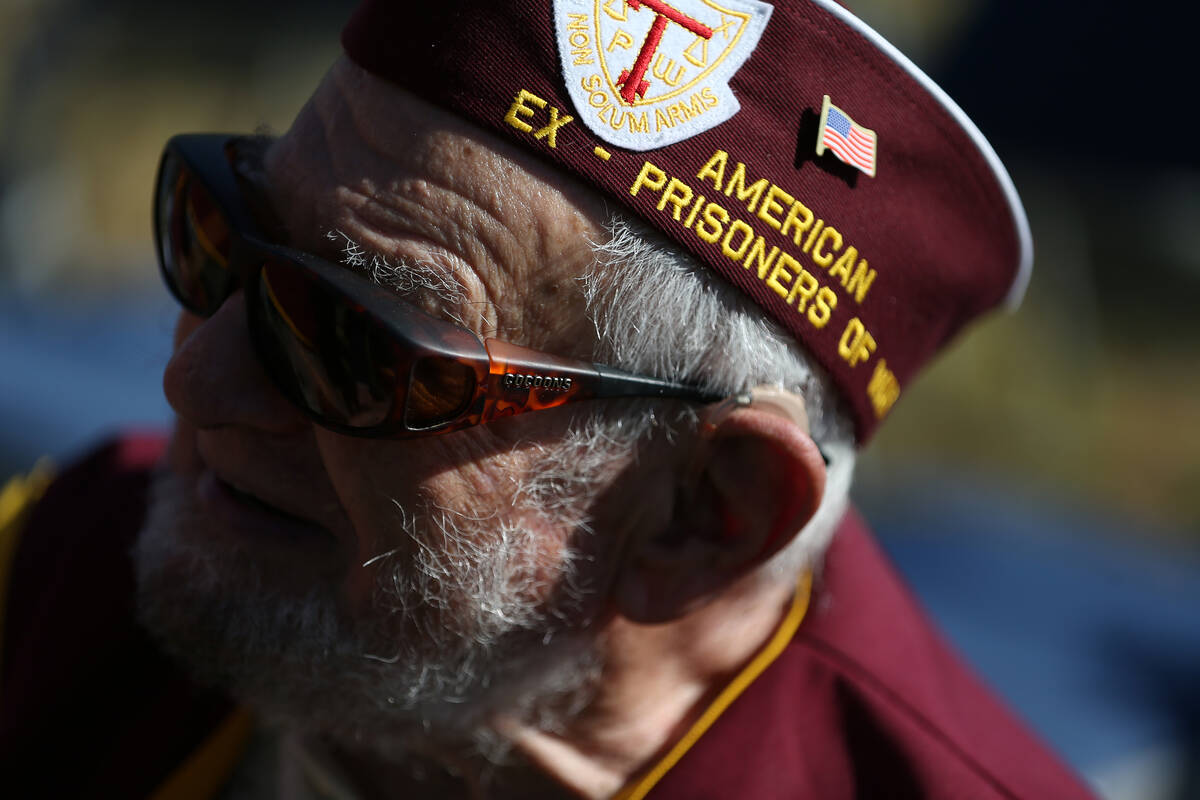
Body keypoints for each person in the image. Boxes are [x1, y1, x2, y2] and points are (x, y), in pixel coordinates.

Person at [1, 0, 1097, 797]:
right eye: (216, 231)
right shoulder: (62, 564)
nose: (193, 378)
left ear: (701, 514)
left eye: (357, 342)